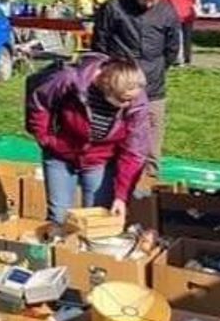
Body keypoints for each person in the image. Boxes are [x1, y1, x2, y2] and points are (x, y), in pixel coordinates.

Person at [25, 55, 150, 224]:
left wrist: (121, 197)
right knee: (58, 216)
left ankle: (84, 250)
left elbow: (135, 152)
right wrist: (44, 138)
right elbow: (39, 102)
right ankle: (59, 246)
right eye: (124, 100)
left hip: (100, 160)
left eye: (132, 99)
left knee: (95, 218)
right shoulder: (69, 81)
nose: (129, 104)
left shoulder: (136, 104)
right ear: (107, 88)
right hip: (59, 154)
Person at [91, 0, 179, 173]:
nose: (149, 4)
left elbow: (172, 47)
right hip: (117, 81)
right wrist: (111, 74)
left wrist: (158, 68)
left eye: (153, 0)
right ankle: (109, 172)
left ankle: (149, 176)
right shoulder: (113, 7)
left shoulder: (167, 12)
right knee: (113, 129)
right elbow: (100, 44)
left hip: (153, 83)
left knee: (152, 130)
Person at [163, 0, 196, 66]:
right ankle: (187, 59)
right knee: (187, 38)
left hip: (175, 15)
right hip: (188, 14)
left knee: (176, 38)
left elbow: (163, 1)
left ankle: (178, 59)